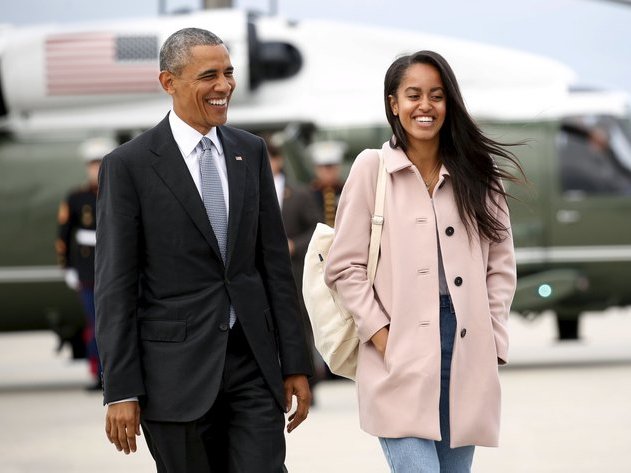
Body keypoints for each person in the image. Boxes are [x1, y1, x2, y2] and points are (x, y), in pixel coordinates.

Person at [95, 28, 312, 473]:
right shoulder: (129, 166)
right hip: (174, 377)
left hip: (252, 363)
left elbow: (273, 266)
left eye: (229, 73)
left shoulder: (249, 152)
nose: (224, 86)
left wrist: (295, 363)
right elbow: (115, 285)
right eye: (208, 75)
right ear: (168, 82)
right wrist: (121, 389)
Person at [324, 50, 523, 472]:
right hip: (397, 347)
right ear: (394, 104)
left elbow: (500, 264)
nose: (425, 106)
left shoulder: (480, 173)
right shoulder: (371, 168)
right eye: (413, 95)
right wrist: (381, 335)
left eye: (436, 95)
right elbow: (344, 266)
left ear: (449, 103)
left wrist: (494, 338)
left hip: (467, 347)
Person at [264, 133, 327, 389]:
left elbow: (317, 229)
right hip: (260, 274)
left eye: (268, 158)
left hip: (294, 271)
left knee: (300, 328)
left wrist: (293, 245)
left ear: (278, 160)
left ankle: (308, 382)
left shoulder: (299, 194)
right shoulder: (246, 190)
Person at [56, 136, 116, 390]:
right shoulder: (76, 197)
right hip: (87, 269)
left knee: (117, 324)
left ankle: (117, 376)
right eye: (93, 164)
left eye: (101, 163)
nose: (97, 168)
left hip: (117, 269)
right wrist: (67, 266)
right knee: (96, 325)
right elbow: (64, 234)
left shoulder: (120, 191)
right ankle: (99, 374)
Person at [309, 140, 346, 227]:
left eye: (331, 166)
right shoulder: (308, 193)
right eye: (324, 167)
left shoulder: (347, 190)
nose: (328, 171)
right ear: (316, 169)